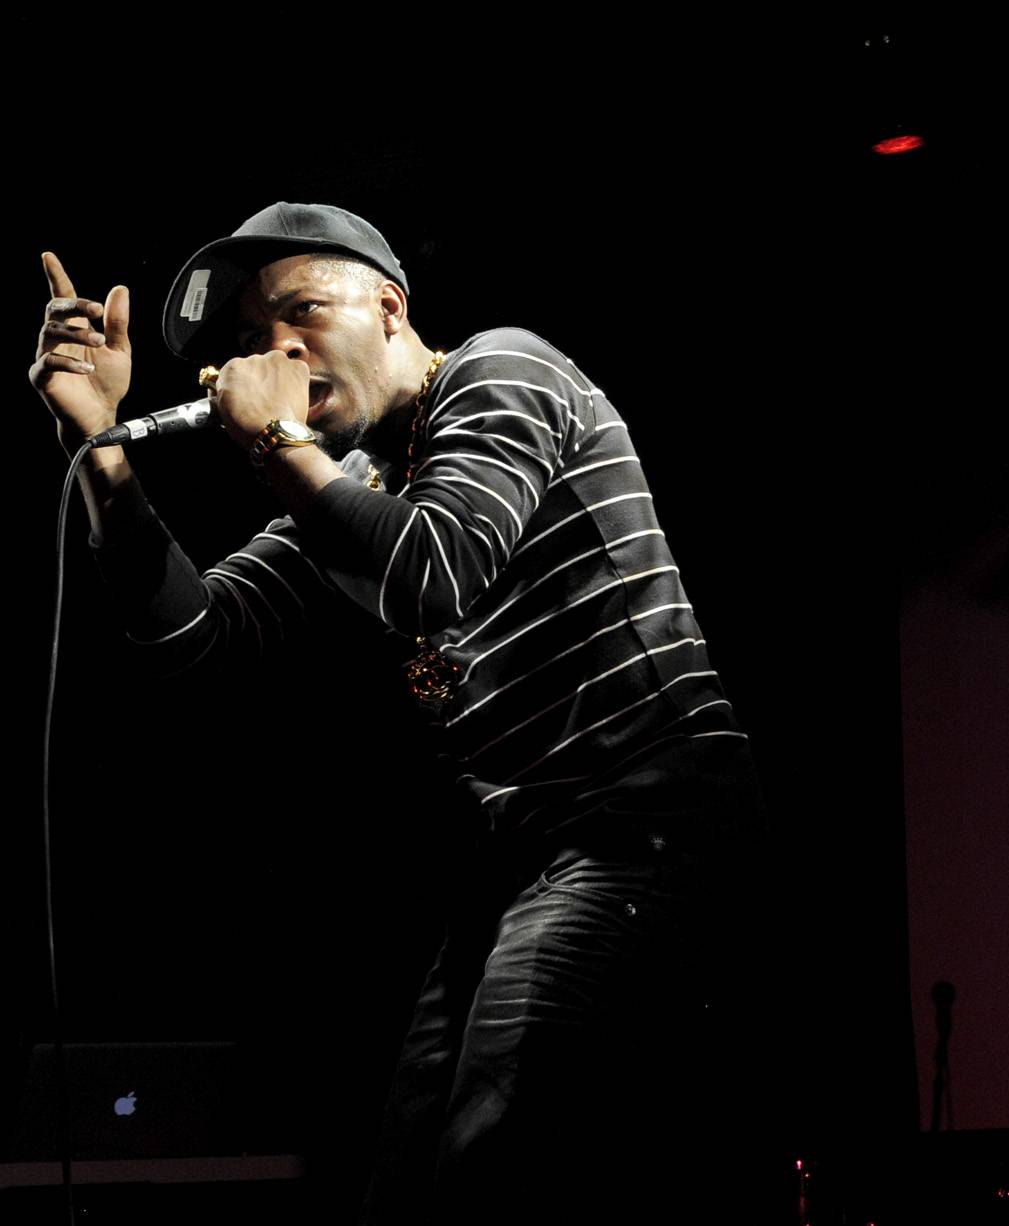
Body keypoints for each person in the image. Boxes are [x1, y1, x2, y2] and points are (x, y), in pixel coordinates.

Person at [32, 203, 762, 1221]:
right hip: (521, 864)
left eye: (300, 315)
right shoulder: (364, 485)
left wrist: (282, 439)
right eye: (250, 341)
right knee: (403, 1188)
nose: (276, 349)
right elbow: (193, 641)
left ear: (387, 305)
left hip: (645, 825)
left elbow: (432, 570)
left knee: (490, 1162)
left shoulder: (500, 369)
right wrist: (103, 450)